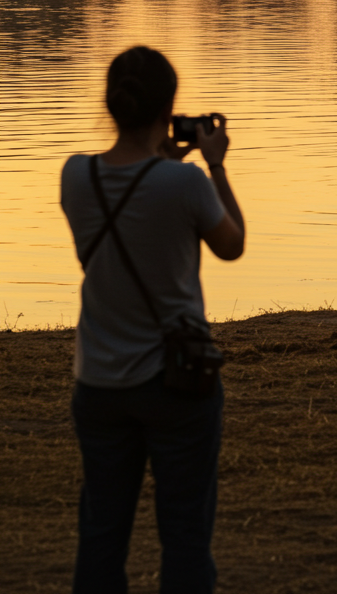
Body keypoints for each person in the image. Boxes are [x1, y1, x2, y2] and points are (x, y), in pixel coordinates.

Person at [60, 46, 245, 594]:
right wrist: (213, 165)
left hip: (97, 383)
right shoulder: (184, 184)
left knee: (100, 532)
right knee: (185, 533)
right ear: (170, 111)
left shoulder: (76, 176)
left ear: (112, 105)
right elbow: (231, 244)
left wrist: (163, 160)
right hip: (176, 384)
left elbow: (129, 223)